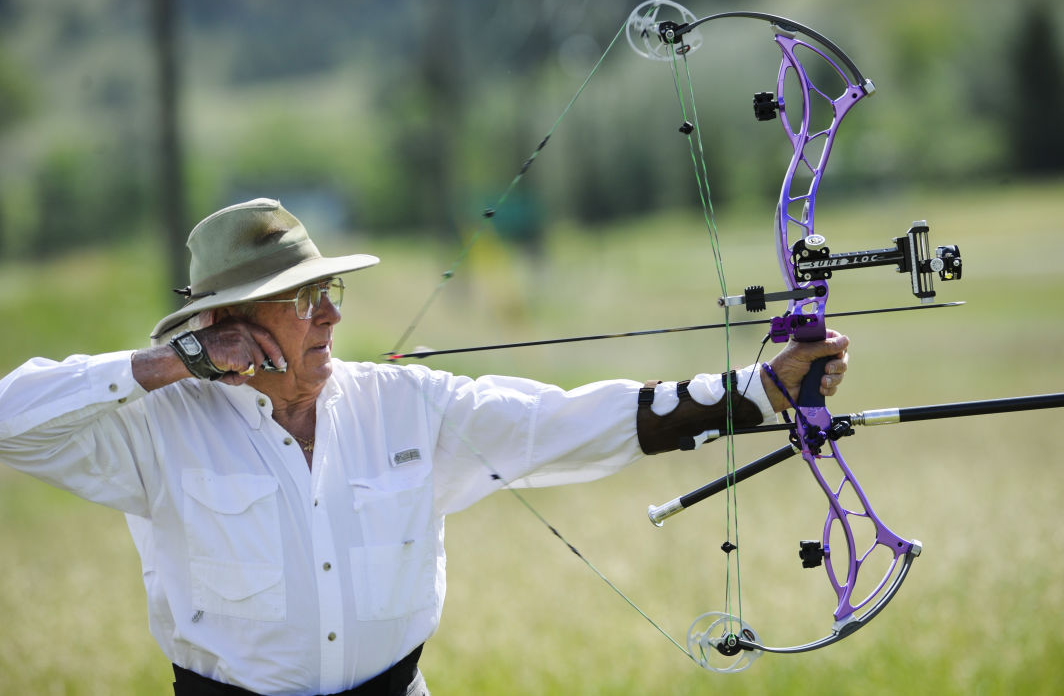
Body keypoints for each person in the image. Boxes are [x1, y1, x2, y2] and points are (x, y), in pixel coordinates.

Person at [0, 198, 849, 695]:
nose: (331, 314)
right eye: (302, 300)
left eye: (328, 291)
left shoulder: (404, 405)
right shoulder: (158, 426)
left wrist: (756, 391)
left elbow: (564, 421)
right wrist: (164, 365)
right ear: (222, 327)